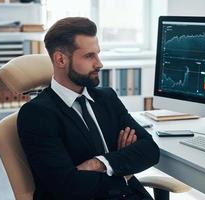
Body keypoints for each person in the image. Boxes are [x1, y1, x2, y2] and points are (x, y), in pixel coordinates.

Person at [17, 17, 160, 200]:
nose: (99, 63)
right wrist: (122, 169)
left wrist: (98, 164)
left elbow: (150, 150)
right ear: (60, 59)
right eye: (89, 56)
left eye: (97, 54)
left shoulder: (107, 98)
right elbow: (67, 187)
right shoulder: (37, 115)